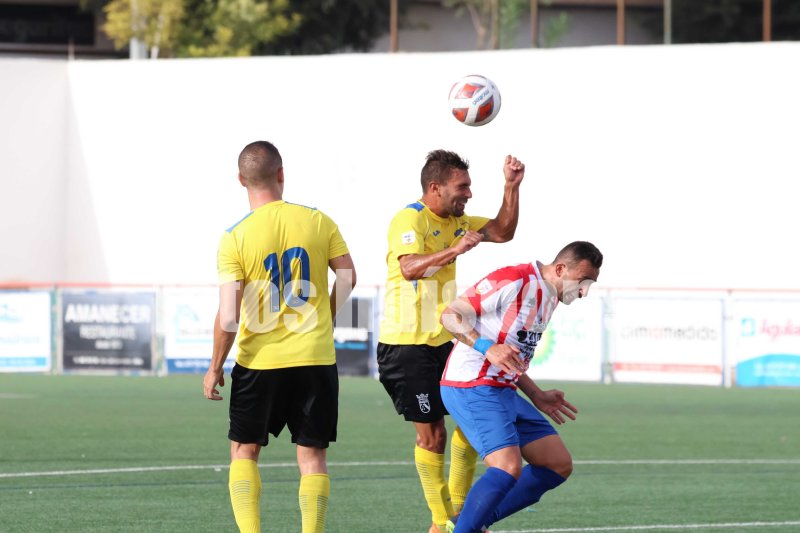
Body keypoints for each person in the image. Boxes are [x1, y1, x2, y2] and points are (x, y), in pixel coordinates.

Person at [203, 140, 356, 533]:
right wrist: (328, 314)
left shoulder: (234, 237)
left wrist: (214, 366)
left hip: (260, 362)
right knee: (312, 456)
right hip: (315, 358)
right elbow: (348, 275)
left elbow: (228, 314)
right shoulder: (318, 220)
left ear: (241, 180)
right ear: (282, 173)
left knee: (243, 451)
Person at [377, 149, 525, 533]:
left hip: (450, 340)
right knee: (433, 436)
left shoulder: (458, 220)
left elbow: (503, 231)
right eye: (463, 187)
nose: (469, 195)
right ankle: (441, 522)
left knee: (470, 426)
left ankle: (463, 515)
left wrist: (511, 187)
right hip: (407, 345)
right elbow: (408, 267)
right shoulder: (409, 218)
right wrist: (454, 250)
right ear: (435, 187)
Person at [438, 241, 603, 533]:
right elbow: (450, 315)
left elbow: (512, 357)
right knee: (506, 467)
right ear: (561, 269)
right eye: (583, 281)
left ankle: (464, 525)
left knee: (557, 463)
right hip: (471, 385)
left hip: (504, 391)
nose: (584, 292)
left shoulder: (550, 297)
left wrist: (536, 394)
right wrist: (486, 347)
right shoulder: (514, 279)